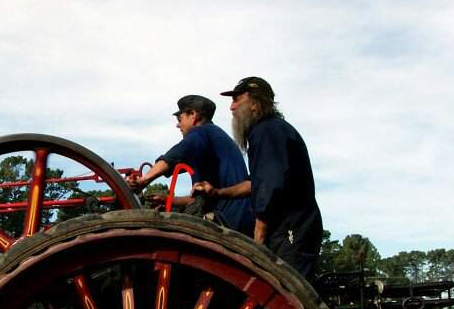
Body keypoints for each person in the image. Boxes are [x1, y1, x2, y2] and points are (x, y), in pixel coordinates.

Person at [193, 77, 322, 277]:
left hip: (290, 228)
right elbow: (256, 183)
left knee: (286, 293)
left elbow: (269, 186)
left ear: (255, 103)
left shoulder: (267, 131)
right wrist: (218, 192)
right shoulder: (269, 130)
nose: (231, 107)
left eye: (237, 100)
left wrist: (258, 239)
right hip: (292, 226)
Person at [125, 94, 253, 234]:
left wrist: (144, 180)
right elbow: (200, 199)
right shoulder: (214, 140)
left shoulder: (201, 132)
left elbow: (175, 155)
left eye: (180, 119)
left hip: (227, 221)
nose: (178, 125)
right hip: (241, 220)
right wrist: (168, 200)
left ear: (193, 115)